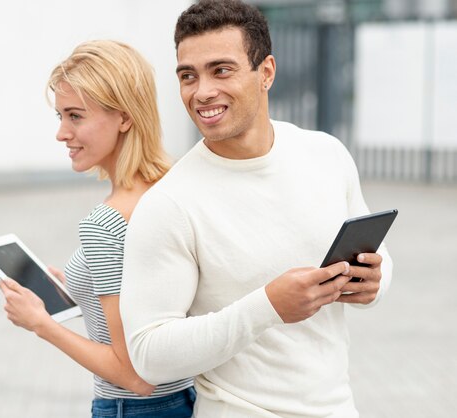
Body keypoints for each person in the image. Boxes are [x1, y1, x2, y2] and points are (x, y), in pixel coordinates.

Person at [119, 1, 393, 417]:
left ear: (266, 72)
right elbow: (148, 353)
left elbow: (380, 259)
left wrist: (375, 279)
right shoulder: (168, 205)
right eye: (188, 76)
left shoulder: (326, 154)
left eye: (221, 70)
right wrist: (266, 307)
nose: (202, 91)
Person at [0, 40, 195, 418]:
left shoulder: (104, 225)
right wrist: (76, 289)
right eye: (60, 117)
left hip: (133, 407)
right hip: (186, 399)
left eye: (75, 116)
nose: (61, 133)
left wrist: (40, 323)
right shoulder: (176, 187)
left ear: (124, 117)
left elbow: (135, 375)